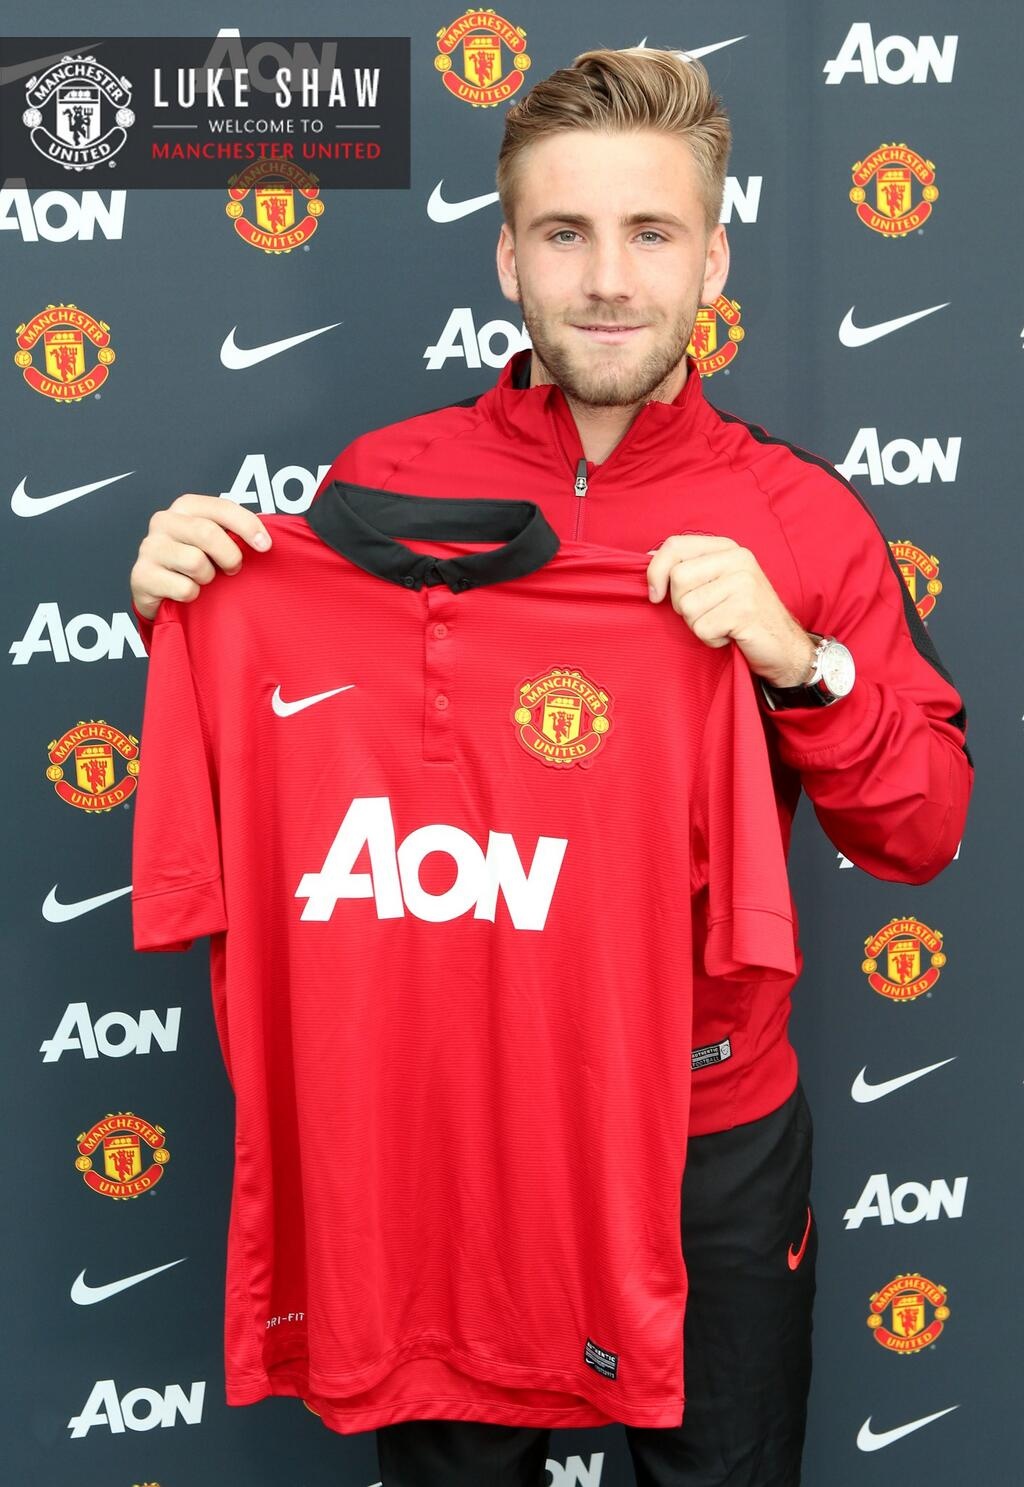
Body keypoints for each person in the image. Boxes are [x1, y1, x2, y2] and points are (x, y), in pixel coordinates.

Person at [130, 48, 971, 1487]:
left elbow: (923, 828)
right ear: (508, 256)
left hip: (707, 1134)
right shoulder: (382, 481)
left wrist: (799, 662)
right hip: (456, 1117)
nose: (609, 280)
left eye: (652, 233)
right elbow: (319, 742)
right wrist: (195, 624)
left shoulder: (799, 515)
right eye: (566, 233)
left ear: (714, 258)